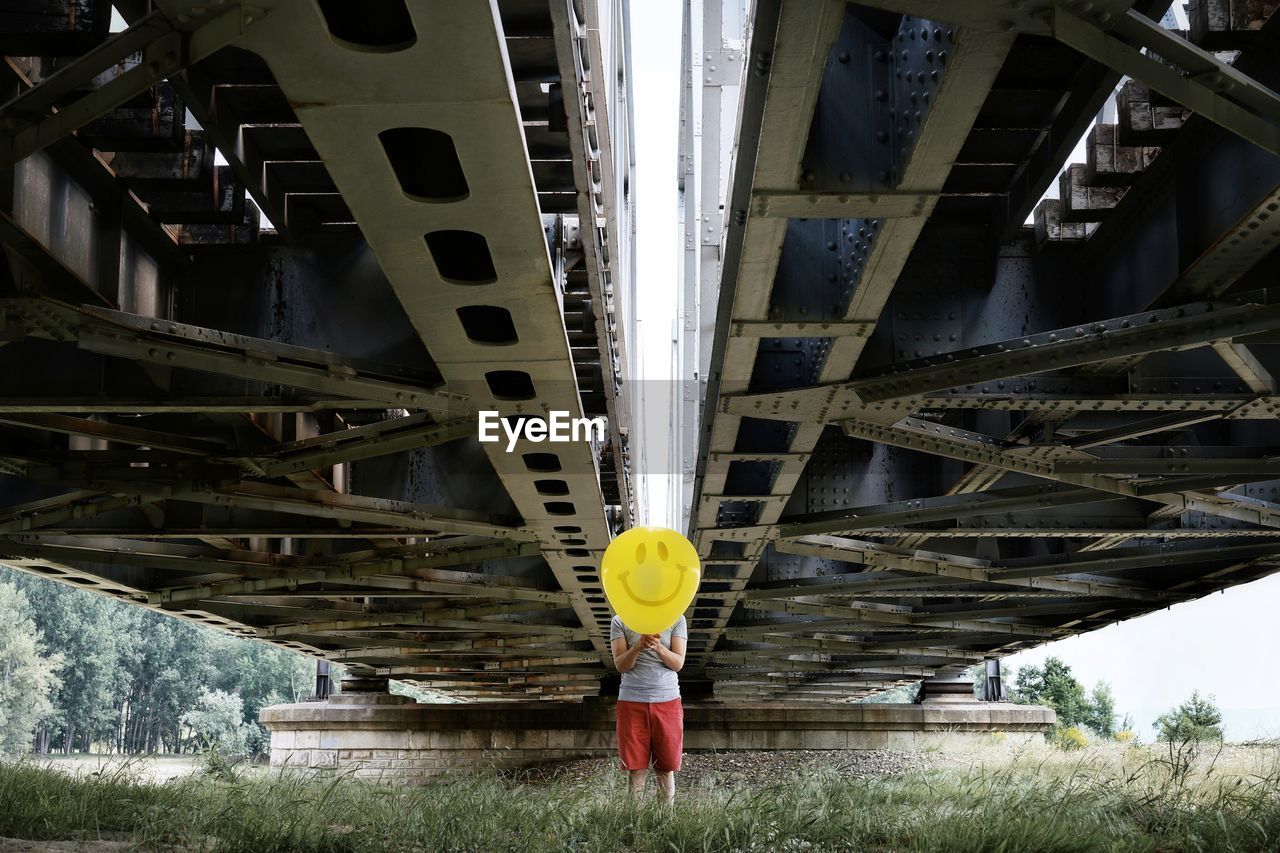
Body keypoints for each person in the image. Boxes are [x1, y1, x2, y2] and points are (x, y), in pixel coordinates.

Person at [609, 612, 687, 804]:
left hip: (667, 700)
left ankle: (665, 822)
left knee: (666, 768)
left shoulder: (676, 618)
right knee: (636, 769)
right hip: (631, 701)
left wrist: (657, 647)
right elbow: (620, 665)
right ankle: (635, 825)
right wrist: (636, 647)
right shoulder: (620, 620)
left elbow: (678, 663)